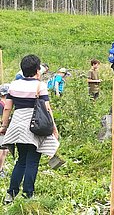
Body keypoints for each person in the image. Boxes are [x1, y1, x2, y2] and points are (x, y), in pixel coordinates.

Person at [0, 54, 59, 203]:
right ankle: (28, 195)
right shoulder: (40, 86)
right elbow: (47, 108)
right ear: (37, 70)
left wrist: (4, 126)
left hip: (17, 126)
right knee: (32, 161)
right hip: (35, 126)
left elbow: (7, 108)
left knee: (21, 160)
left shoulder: (14, 85)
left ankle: (10, 194)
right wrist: (54, 128)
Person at [0, 84, 10, 178]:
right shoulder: (2, 105)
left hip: (3, 130)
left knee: (4, 150)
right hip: (1, 131)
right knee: (2, 150)